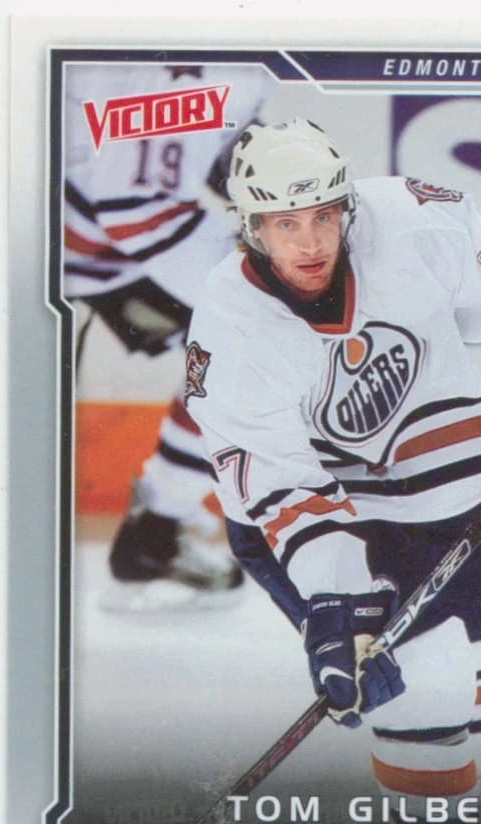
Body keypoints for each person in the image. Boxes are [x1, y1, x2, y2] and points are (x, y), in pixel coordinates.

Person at [185, 118, 481, 824]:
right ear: (252, 227)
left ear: (346, 205)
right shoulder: (229, 326)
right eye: (286, 223)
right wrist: (339, 600)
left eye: (324, 215)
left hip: (445, 492)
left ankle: (476, 785)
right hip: (325, 520)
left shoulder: (411, 220)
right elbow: (279, 486)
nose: (311, 243)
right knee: (427, 688)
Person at [64, 63, 273, 609]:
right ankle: (157, 534)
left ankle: (157, 532)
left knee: (248, 348)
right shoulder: (197, 58)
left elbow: (195, 147)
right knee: (260, 337)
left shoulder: (227, 55)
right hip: (81, 237)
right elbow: (135, 209)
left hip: (81, 229)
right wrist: (258, 280)